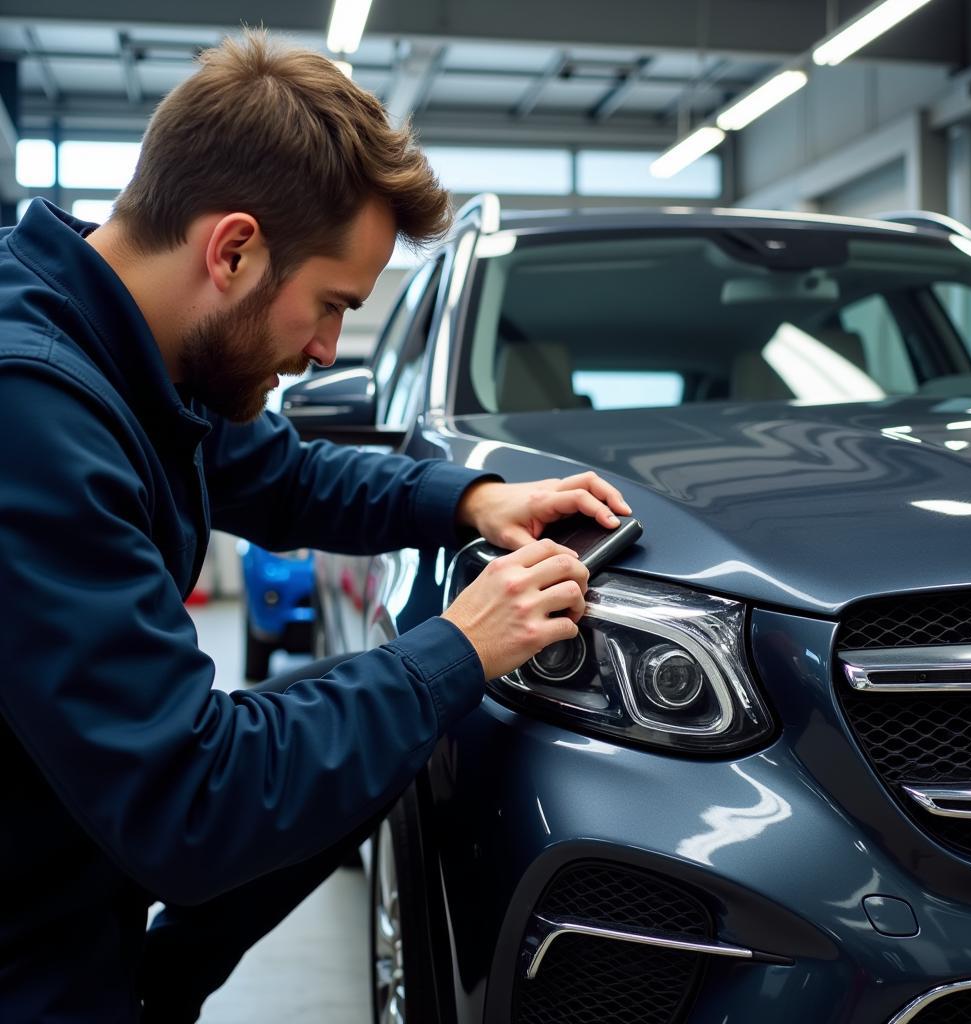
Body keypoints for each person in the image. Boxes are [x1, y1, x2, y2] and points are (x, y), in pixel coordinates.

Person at [0, 29, 631, 1024]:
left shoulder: (137, 350)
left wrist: (466, 498)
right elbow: (192, 797)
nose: (330, 350)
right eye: (331, 306)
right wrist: (454, 651)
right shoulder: (30, 416)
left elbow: (285, 478)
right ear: (234, 248)